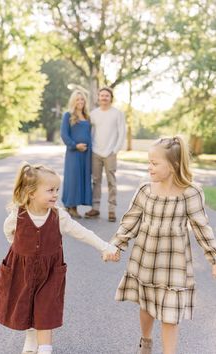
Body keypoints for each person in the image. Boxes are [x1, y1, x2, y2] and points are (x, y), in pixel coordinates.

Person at [0, 162, 119, 354]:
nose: (56, 194)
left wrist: (105, 246)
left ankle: (45, 349)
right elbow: (9, 233)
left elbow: (82, 232)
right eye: (50, 190)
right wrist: (20, 250)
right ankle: (31, 338)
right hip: (22, 269)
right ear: (31, 193)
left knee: (45, 310)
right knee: (26, 306)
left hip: (50, 272)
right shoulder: (18, 216)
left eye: (57, 189)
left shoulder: (59, 216)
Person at [104, 136, 216, 354]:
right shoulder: (146, 190)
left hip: (174, 263)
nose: (149, 167)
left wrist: (214, 258)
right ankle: (146, 341)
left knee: (170, 314)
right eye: (149, 162)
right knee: (147, 305)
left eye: (155, 163)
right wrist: (116, 245)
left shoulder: (191, 193)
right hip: (146, 258)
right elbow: (131, 220)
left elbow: (203, 228)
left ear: (173, 166)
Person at [85, 87, 126, 222]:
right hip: (95, 152)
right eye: (102, 95)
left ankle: (111, 209)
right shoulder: (93, 114)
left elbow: (122, 133)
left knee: (111, 181)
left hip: (110, 152)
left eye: (106, 96)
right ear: (98, 98)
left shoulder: (117, 113)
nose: (104, 98)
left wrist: (115, 150)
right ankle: (95, 208)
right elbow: (90, 132)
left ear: (111, 98)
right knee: (96, 181)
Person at [60, 89, 92, 219]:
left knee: (82, 179)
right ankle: (70, 206)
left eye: (82, 99)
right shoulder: (68, 115)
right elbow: (64, 134)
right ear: (73, 101)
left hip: (86, 154)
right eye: (77, 99)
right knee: (73, 178)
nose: (80, 102)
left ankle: (75, 206)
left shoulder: (87, 117)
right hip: (73, 153)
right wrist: (75, 145)